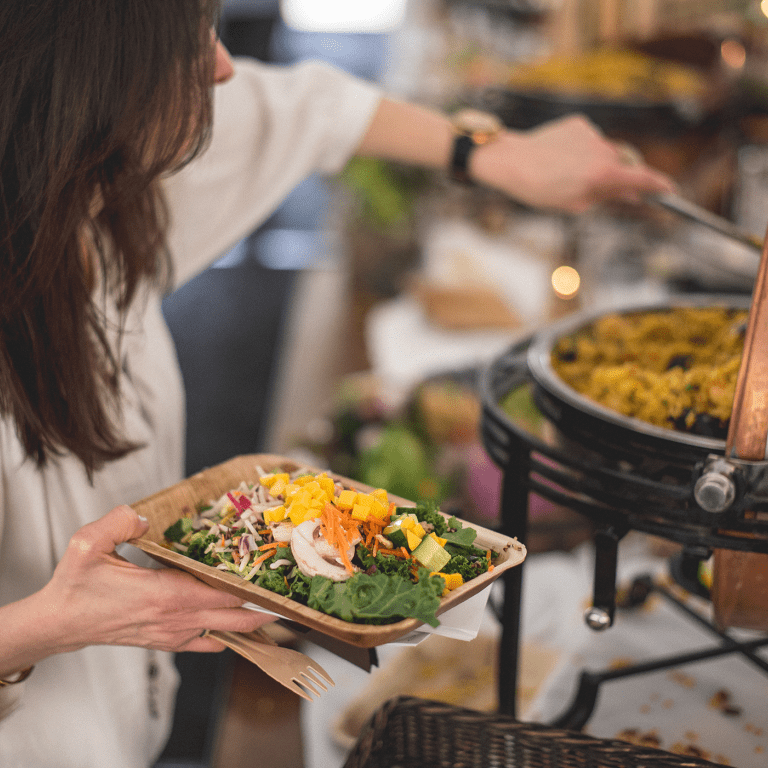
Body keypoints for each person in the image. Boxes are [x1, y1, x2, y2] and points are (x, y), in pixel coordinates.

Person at [0, 1, 675, 765]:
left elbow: (308, 106)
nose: (223, 67)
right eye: (188, 48)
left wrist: (491, 154)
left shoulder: (93, 195)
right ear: (77, 83)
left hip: (135, 720)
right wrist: (43, 625)